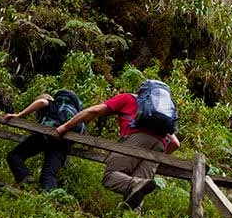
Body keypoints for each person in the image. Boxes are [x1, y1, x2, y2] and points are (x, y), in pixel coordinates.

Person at [54, 80, 180, 210]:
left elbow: (95, 110)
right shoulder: (161, 117)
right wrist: (158, 157)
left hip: (136, 138)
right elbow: (175, 143)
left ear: (141, 91)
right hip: (160, 145)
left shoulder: (128, 98)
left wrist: (65, 126)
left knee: (111, 176)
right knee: (138, 190)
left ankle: (137, 184)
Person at [4, 90, 84, 191]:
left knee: (14, 155)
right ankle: (50, 200)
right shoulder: (70, 113)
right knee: (48, 174)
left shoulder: (50, 105)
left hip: (45, 137)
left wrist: (19, 115)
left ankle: (25, 178)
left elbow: (42, 102)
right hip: (62, 144)